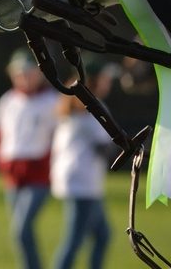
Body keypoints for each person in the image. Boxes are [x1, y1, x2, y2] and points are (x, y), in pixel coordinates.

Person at [0, 48, 58, 269]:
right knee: (21, 231)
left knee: (21, 230)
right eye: (18, 73)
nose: (24, 77)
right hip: (12, 175)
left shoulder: (52, 101)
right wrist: (1, 161)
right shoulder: (7, 101)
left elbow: (60, 139)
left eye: (29, 72)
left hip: (39, 174)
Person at [51, 63, 113, 269]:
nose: (108, 81)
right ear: (94, 81)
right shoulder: (92, 109)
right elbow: (104, 147)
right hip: (82, 182)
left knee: (103, 235)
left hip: (78, 180)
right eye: (105, 77)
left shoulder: (73, 105)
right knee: (74, 241)